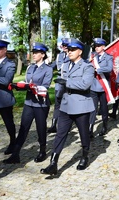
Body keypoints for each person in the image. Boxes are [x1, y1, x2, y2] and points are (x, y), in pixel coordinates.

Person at [40, 38, 95, 175]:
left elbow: (85, 85)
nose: (69, 52)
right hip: (65, 104)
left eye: (72, 50)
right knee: (60, 134)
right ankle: (53, 163)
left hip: (81, 105)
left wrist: (67, 82)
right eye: (68, 50)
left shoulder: (87, 66)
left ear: (80, 52)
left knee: (83, 134)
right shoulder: (65, 65)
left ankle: (84, 156)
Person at [3, 42, 53, 164]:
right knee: (23, 128)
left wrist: (31, 86)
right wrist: (19, 86)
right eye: (33, 52)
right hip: (29, 102)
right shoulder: (30, 67)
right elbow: (26, 82)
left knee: (41, 128)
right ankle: (15, 154)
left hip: (41, 103)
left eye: (36, 53)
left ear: (42, 54)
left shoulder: (48, 69)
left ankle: (42, 151)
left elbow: (45, 86)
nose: (34, 54)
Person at [89, 38, 113, 137]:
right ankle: (90, 128)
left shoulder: (108, 57)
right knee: (92, 109)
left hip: (103, 86)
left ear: (103, 47)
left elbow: (109, 68)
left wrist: (97, 69)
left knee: (104, 108)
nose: (97, 48)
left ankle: (104, 125)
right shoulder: (92, 57)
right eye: (96, 46)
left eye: (99, 46)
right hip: (93, 86)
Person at [47, 38, 70, 133]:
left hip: (69, 83)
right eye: (63, 45)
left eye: (66, 45)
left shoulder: (74, 56)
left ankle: (66, 125)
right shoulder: (59, 55)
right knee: (57, 104)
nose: (64, 47)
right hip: (59, 82)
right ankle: (53, 125)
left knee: (68, 104)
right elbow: (54, 65)